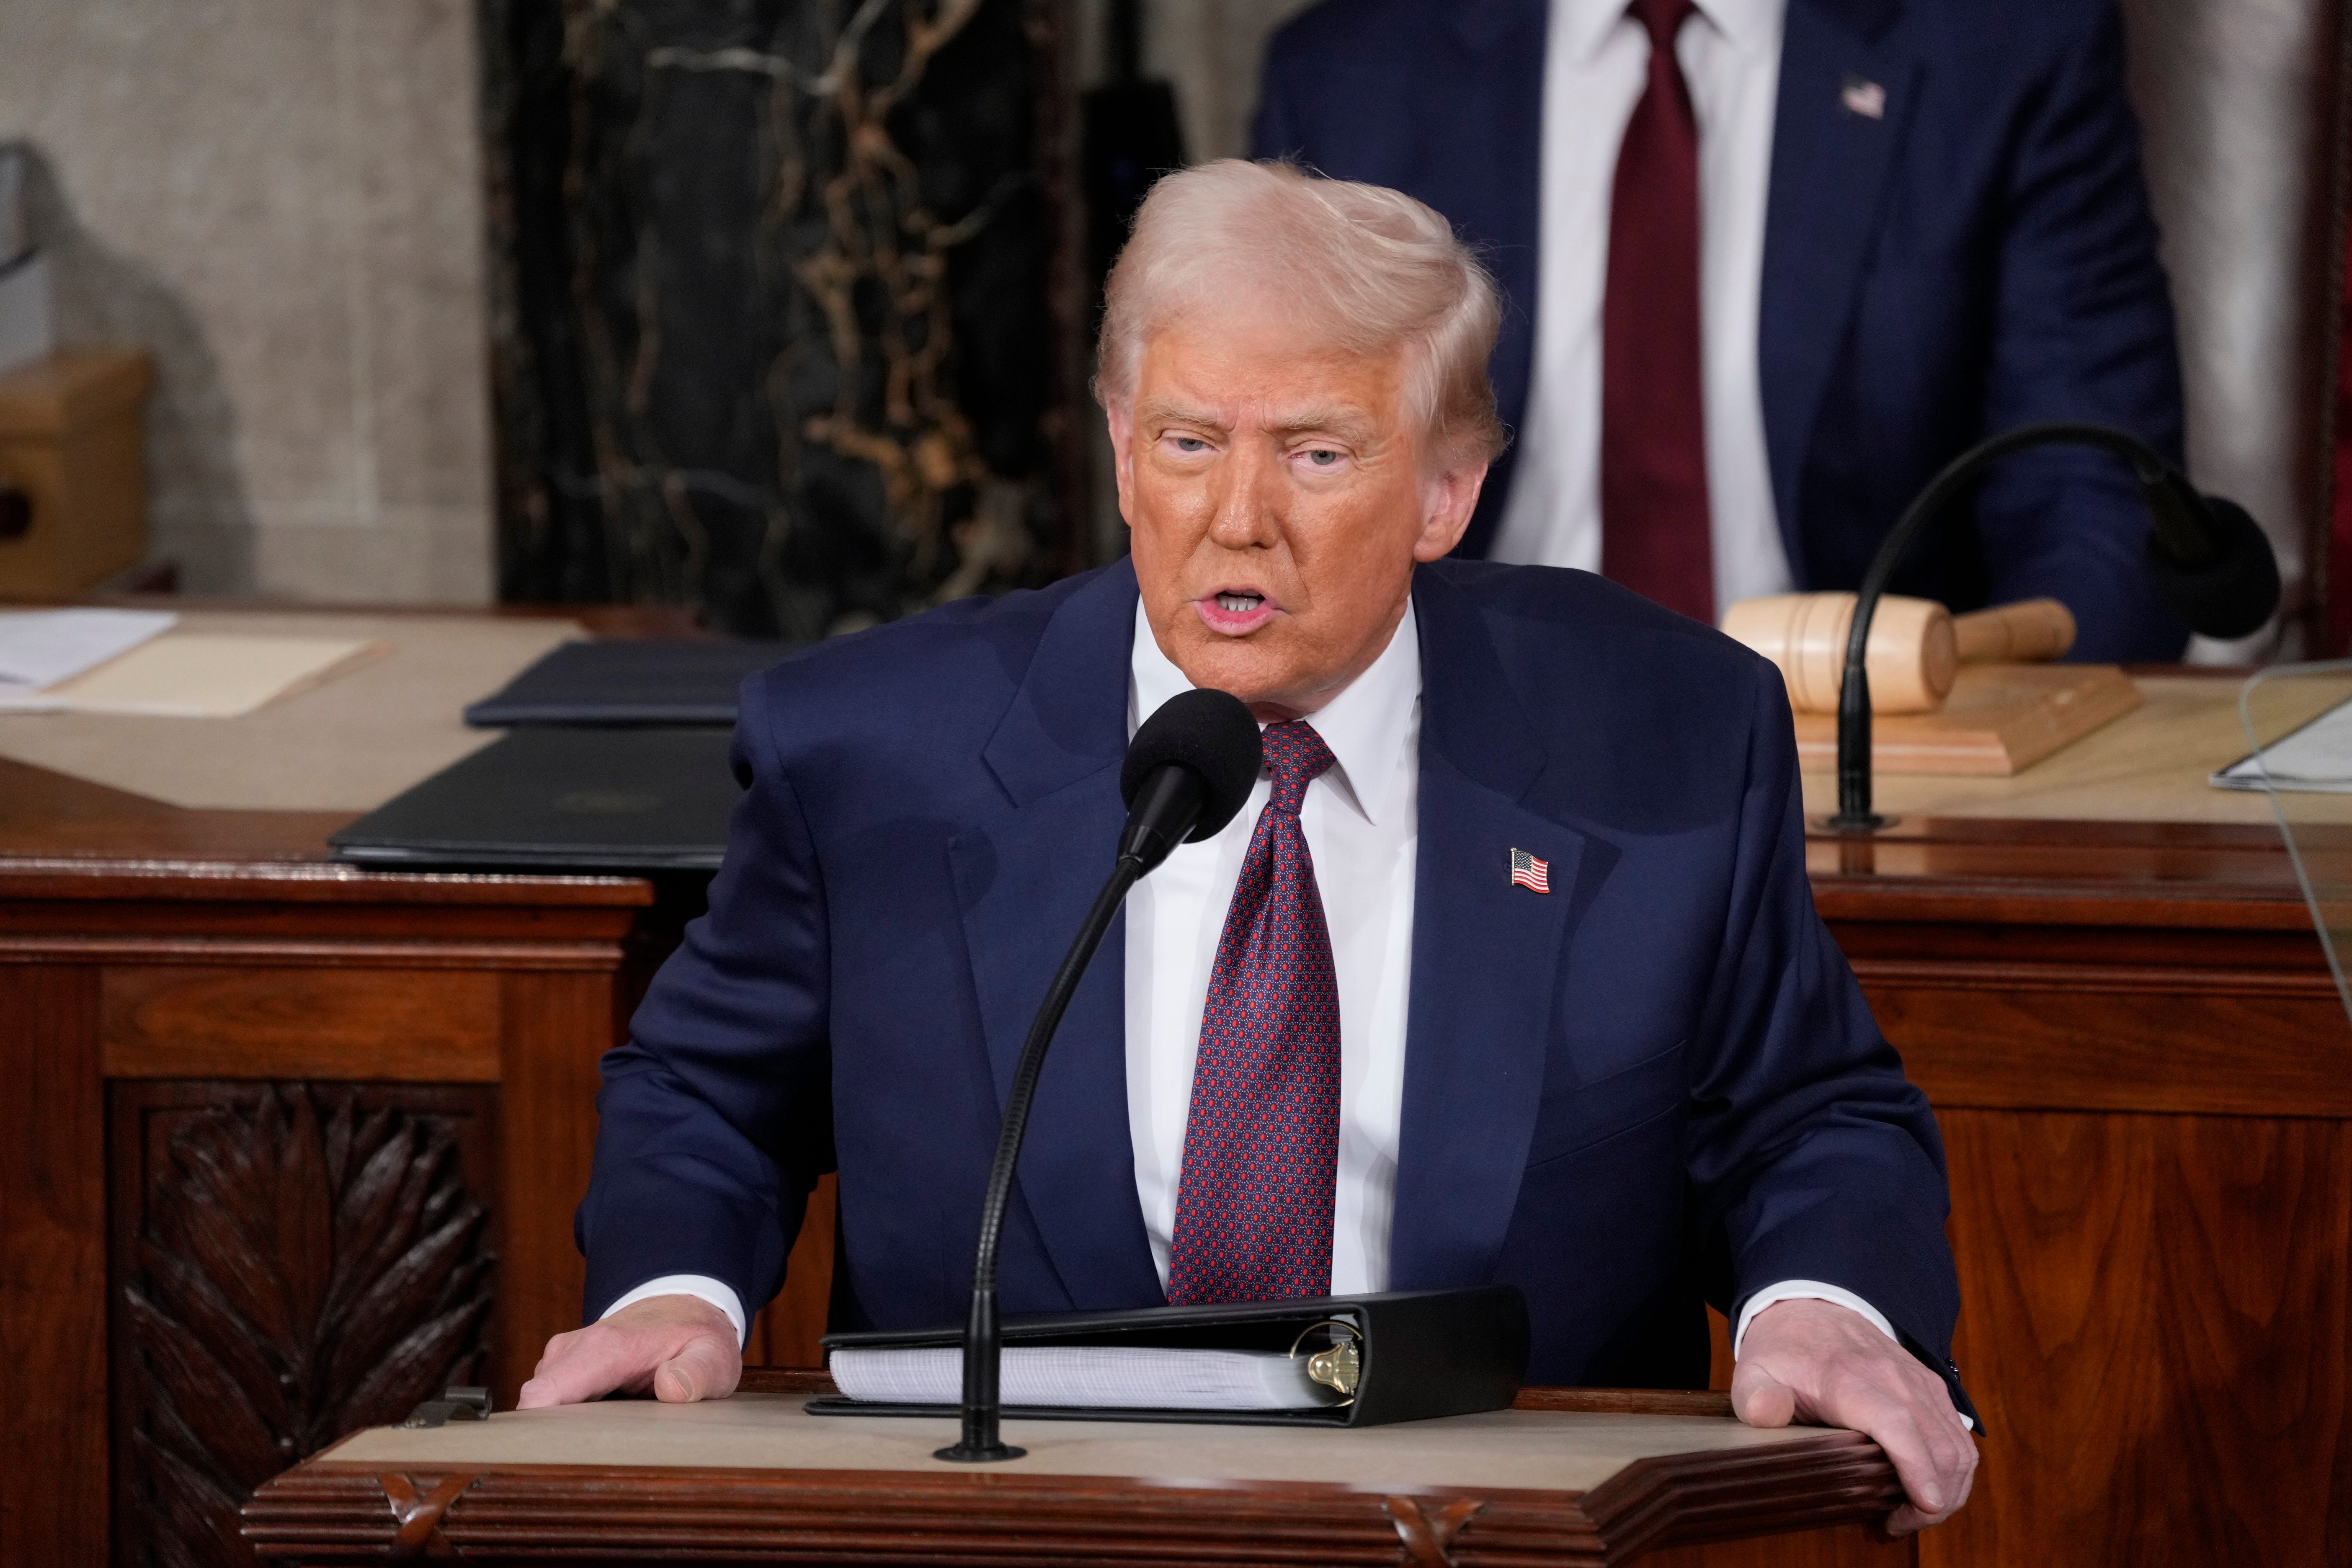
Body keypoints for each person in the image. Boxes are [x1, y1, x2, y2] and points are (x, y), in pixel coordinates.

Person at [522, 161, 1979, 1535]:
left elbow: (1805, 1115)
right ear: (1117, 445)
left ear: (1443, 491)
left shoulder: (1658, 732)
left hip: (1495, 1533)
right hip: (1015, 1535)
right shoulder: (871, 752)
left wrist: (1819, 1306)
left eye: (1316, 452)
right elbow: (712, 1091)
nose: (1237, 518)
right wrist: (674, 1291)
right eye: (1187, 442)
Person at [1253, 0, 2190, 659]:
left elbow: (2093, 500)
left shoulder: (2008, 44)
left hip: (1865, 757)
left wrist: (1971, 749)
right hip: (1463, 752)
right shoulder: (1350, 71)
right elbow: (1275, 494)